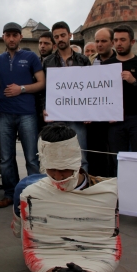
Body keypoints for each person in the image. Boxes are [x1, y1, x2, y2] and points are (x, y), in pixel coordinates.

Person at [5, 124, 121, 272]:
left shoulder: (106, 193)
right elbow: (31, 248)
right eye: (51, 169)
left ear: (76, 160)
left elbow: (110, 248)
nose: (58, 176)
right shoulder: (31, 195)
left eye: (65, 169)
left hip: (95, 271)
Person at [0, 22, 45, 207]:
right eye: (8, 35)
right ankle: (9, 194)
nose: (12, 38)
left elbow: (41, 83)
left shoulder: (30, 57)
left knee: (31, 157)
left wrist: (21, 89)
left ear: (20, 37)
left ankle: (35, 195)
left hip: (27, 114)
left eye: (15, 35)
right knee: (5, 159)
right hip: (4, 114)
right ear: (3, 37)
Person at [43, 21, 90, 172]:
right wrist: (44, 107)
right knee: (57, 156)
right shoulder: (48, 61)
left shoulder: (83, 60)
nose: (60, 39)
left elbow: (90, 87)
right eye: (56, 37)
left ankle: (83, 189)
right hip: (56, 115)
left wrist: (91, 110)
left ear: (70, 35)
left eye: (63, 35)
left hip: (78, 116)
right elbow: (44, 89)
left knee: (81, 155)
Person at [104, 24, 137, 175]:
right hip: (115, 121)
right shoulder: (106, 65)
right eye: (116, 40)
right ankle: (119, 194)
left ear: (132, 42)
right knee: (117, 159)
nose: (119, 43)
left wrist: (134, 81)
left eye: (123, 39)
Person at [86, 28, 116, 177]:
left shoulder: (120, 61)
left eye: (103, 41)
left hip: (114, 119)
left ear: (112, 42)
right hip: (95, 120)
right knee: (96, 154)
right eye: (97, 41)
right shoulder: (89, 62)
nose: (99, 44)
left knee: (113, 155)